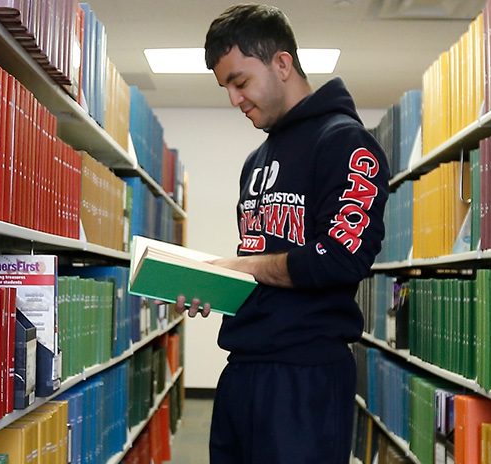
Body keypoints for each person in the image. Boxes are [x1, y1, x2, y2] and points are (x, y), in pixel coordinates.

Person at [174, 4, 391, 462]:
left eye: (240, 82)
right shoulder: (256, 162)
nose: (234, 99)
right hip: (242, 369)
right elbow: (260, 258)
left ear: (282, 63)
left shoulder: (347, 144)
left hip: (304, 379)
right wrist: (212, 283)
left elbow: (339, 259)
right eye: (225, 88)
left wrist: (245, 266)